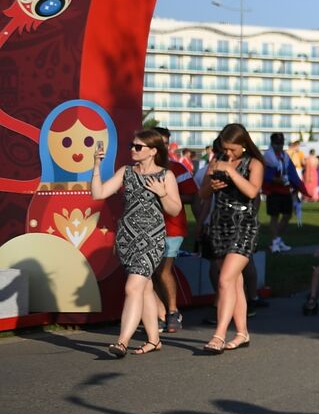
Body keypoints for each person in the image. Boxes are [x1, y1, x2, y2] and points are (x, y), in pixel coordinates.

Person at [89, 129, 183, 357]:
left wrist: (162, 194)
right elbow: (98, 194)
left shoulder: (165, 176)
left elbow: (175, 209)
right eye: (132, 145)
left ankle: (121, 342)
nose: (132, 149)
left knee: (133, 287)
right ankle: (153, 340)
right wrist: (96, 166)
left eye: (138, 147)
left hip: (152, 239)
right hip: (127, 238)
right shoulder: (126, 172)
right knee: (145, 288)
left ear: (153, 151)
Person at [198, 124, 265, 353]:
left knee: (225, 279)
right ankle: (242, 332)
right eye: (225, 148)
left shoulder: (254, 163)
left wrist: (231, 171)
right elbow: (202, 193)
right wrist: (212, 184)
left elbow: (252, 191)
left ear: (244, 145)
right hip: (220, 223)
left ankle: (218, 335)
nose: (228, 153)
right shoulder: (217, 160)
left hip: (244, 224)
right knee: (234, 282)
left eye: (232, 149)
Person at [152, 127, 197, 334]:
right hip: (147, 228)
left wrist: (168, 196)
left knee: (163, 269)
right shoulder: (139, 169)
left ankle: (172, 312)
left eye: (165, 143)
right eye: (158, 142)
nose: (163, 147)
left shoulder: (177, 169)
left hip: (172, 227)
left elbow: (193, 195)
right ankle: (160, 313)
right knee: (149, 273)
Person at [264, 132, 308, 253]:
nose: (279, 146)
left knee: (287, 215)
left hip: (285, 190)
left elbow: (291, 172)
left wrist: (295, 185)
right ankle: (275, 241)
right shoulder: (268, 156)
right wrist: (278, 180)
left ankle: (276, 239)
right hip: (273, 191)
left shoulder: (284, 156)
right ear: (272, 144)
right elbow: (266, 176)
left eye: (281, 143)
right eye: (277, 143)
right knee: (274, 217)